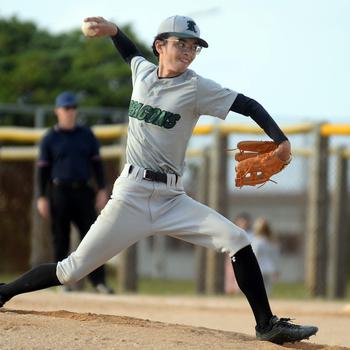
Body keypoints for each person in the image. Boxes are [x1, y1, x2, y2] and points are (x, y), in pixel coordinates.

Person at [0, 15, 317, 344]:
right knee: (70, 271)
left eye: (194, 47)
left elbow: (249, 105)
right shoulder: (143, 72)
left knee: (237, 239)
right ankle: (3, 292)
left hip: (172, 198)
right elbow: (128, 52)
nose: (188, 51)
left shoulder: (197, 87)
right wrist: (112, 31)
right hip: (130, 196)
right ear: (159, 46)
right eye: (180, 43)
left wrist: (281, 140)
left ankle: (266, 324)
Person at [36, 91, 113, 294]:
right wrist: (41, 197)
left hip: (84, 191)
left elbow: (97, 165)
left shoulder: (86, 135)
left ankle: (99, 282)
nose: (69, 112)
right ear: (57, 111)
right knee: (60, 238)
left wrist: (102, 189)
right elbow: (43, 170)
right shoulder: (50, 138)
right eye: (66, 108)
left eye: (72, 108)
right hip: (59, 191)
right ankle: (61, 284)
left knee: (93, 238)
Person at [225, 213, 253, 294]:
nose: (243, 224)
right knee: (230, 282)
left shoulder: (250, 234)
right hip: (232, 259)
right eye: (240, 222)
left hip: (244, 260)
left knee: (241, 283)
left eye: (244, 222)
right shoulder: (233, 233)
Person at [251, 217, 280, 295]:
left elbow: (255, 255)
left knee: (258, 290)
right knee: (267, 290)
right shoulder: (272, 241)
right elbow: (275, 256)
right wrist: (276, 270)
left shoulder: (256, 241)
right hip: (270, 268)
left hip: (259, 268)